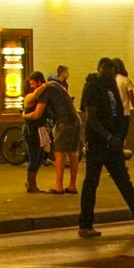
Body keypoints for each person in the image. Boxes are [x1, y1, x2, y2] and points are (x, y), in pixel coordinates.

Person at [78, 57, 134, 239]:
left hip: (111, 144)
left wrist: (118, 136)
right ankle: (85, 225)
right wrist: (107, 136)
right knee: (91, 183)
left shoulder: (112, 87)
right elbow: (90, 116)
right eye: (108, 70)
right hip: (97, 143)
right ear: (101, 69)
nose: (110, 74)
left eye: (113, 71)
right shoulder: (92, 86)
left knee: (124, 183)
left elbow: (118, 113)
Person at [41, 66, 81, 194]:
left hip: (64, 122)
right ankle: (72, 185)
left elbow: (39, 111)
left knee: (59, 152)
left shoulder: (47, 89)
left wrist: (26, 114)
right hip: (75, 119)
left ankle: (58, 185)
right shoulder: (61, 88)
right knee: (72, 152)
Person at [18, 71, 51, 193]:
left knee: (40, 157)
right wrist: (44, 85)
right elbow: (35, 95)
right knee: (33, 157)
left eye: (33, 84)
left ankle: (31, 183)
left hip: (39, 130)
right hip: (31, 131)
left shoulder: (41, 96)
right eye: (30, 84)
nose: (32, 86)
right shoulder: (29, 97)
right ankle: (31, 184)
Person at [112, 59, 134, 155]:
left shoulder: (110, 80)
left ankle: (114, 159)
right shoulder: (126, 80)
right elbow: (131, 98)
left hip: (112, 114)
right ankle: (119, 158)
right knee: (122, 136)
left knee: (114, 136)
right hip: (124, 113)